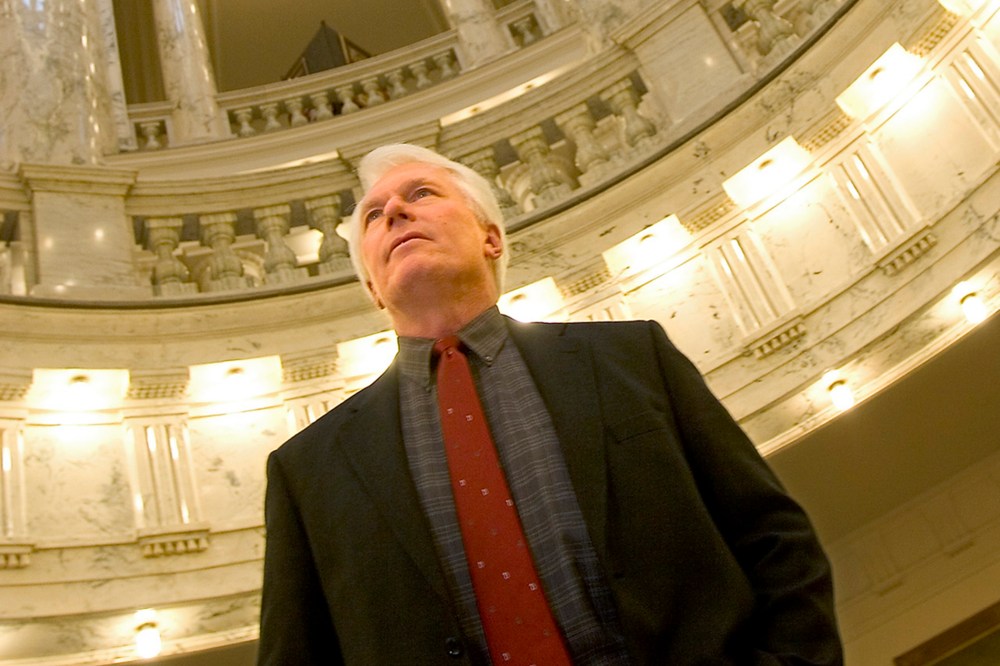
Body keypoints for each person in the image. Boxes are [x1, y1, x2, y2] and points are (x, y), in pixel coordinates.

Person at [257, 144, 843, 665]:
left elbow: (771, 535)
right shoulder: (309, 470)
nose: (394, 213)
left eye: (421, 194)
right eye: (372, 217)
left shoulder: (631, 357)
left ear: (491, 237)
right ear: (371, 287)